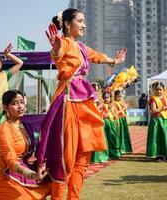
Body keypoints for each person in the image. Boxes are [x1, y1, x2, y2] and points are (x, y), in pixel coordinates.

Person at [37, 8, 127, 200]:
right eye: (80, 21)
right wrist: (56, 48)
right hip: (69, 100)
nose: (84, 24)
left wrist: (115, 60)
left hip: (84, 101)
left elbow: (98, 57)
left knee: (83, 155)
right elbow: (58, 53)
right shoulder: (66, 43)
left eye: (85, 20)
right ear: (68, 25)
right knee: (66, 158)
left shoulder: (81, 47)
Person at [0, 90, 51, 200]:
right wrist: (33, 175)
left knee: (54, 179)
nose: (20, 106)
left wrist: (43, 164)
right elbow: (11, 161)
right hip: (4, 173)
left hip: (23, 169)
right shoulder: (4, 129)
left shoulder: (25, 126)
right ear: (5, 107)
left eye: (21, 102)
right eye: (14, 103)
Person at [146, 81, 167, 161]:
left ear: (163, 90)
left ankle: (164, 154)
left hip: (164, 120)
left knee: (164, 137)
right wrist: (162, 108)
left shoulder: (165, 98)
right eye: (157, 89)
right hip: (156, 121)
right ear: (154, 90)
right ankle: (157, 155)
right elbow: (153, 110)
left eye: (160, 89)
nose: (159, 91)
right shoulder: (153, 99)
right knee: (156, 137)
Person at [114, 90, 132, 154]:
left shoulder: (121, 102)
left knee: (124, 134)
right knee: (120, 134)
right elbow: (115, 113)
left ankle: (125, 148)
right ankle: (120, 149)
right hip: (118, 119)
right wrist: (124, 108)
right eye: (118, 96)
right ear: (115, 96)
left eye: (121, 96)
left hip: (123, 119)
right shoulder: (114, 103)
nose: (120, 98)